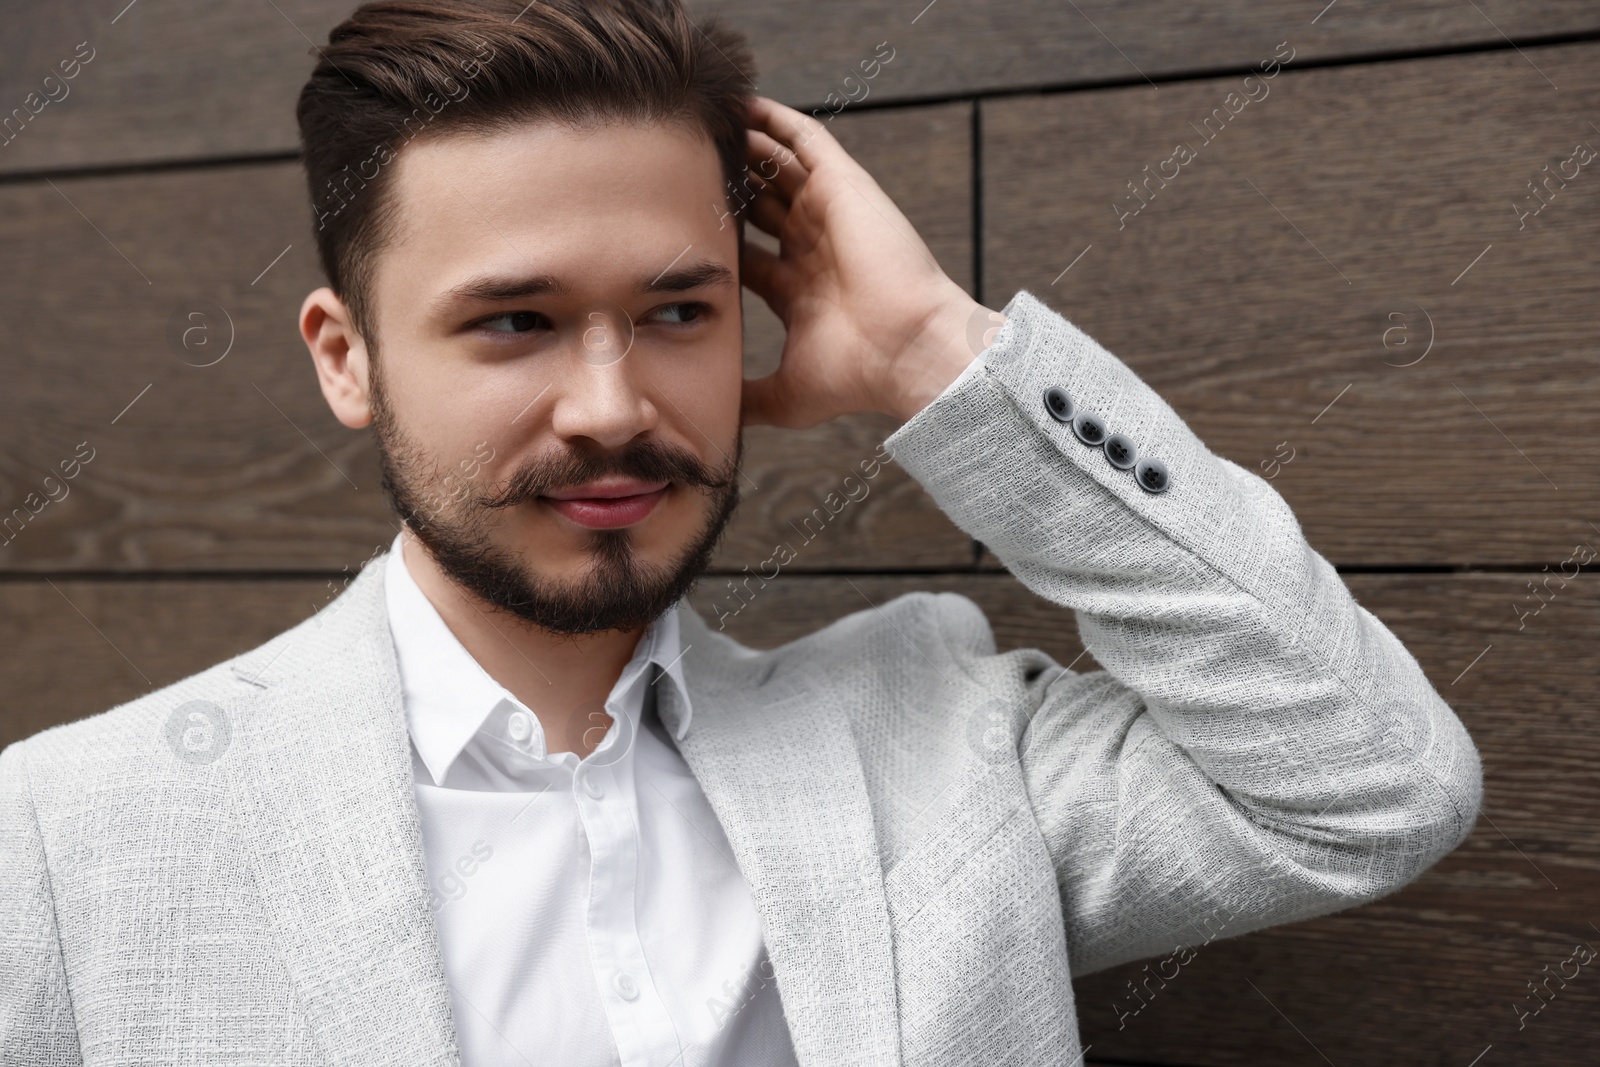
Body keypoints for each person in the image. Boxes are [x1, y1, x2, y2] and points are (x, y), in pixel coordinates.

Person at [0, 1, 1483, 1064]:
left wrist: (934, 357)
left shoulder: (945, 752)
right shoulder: (67, 843)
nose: (611, 404)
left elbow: (1373, 792)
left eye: (677, 312)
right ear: (347, 357)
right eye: (515, 322)